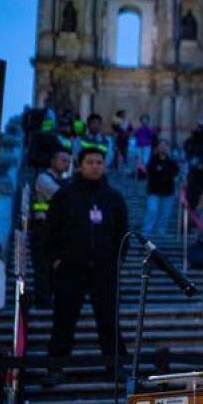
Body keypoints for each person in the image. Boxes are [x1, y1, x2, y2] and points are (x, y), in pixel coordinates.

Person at [44, 149, 130, 382]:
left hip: (104, 268)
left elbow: (123, 231)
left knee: (109, 319)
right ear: (80, 165)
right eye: (90, 162)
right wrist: (55, 259)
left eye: (99, 162)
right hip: (71, 267)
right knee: (64, 319)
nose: (95, 166)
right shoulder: (65, 195)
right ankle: (55, 368)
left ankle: (115, 366)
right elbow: (51, 229)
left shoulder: (114, 198)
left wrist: (119, 259)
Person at [29, 146, 70, 308]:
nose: (65, 164)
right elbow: (62, 196)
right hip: (42, 228)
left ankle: (53, 298)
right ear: (52, 161)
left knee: (57, 268)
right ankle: (43, 301)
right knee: (42, 266)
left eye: (68, 161)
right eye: (62, 160)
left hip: (58, 230)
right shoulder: (43, 178)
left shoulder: (68, 181)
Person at [142, 139, 180, 236]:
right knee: (152, 211)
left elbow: (176, 172)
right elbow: (149, 170)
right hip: (153, 191)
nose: (163, 148)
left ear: (168, 148)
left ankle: (161, 233)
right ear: (158, 147)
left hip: (168, 192)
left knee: (164, 214)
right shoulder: (152, 160)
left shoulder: (171, 161)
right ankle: (146, 232)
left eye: (165, 146)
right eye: (161, 145)